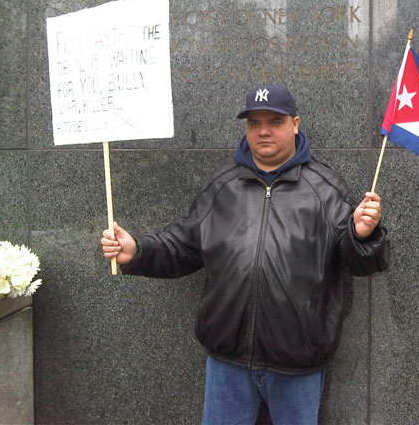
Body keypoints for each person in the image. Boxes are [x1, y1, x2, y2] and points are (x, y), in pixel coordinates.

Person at [101, 84, 390, 425]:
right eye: (254, 123)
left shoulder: (325, 190)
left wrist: (363, 235)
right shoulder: (222, 186)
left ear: (295, 124)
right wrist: (138, 250)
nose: (263, 130)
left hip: (298, 363)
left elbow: (359, 263)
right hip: (227, 361)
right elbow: (183, 246)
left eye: (275, 121)